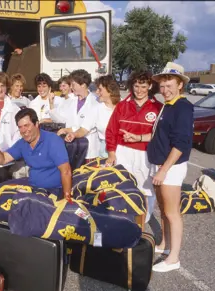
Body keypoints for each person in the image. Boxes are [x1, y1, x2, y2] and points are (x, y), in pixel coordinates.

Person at [120, 62, 193, 272]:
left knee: (172, 213)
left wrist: (163, 170)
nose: (165, 89)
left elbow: (181, 143)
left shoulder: (183, 107)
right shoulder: (167, 106)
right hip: (160, 165)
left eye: (169, 85)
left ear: (180, 85)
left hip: (171, 167)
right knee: (163, 210)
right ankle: (165, 244)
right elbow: (158, 136)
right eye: (162, 85)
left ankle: (174, 258)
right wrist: (138, 136)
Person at [105, 71, 162, 222]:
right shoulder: (122, 106)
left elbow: (160, 136)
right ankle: (123, 219)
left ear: (150, 86)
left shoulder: (158, 107)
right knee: (122, 186)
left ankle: (143, 221)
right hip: (123, 152)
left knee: (146, 189)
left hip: (146, 153)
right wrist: (111, 153)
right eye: (136, 86)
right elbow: (111, 131)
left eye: (143, 86)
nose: (139, 90)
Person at [0, 108, 72, 198]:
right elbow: (2, 160)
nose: (23, 130)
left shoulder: (52, 140)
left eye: (26, 125)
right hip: (33, 188)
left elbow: (66, 171)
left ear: (36, 124)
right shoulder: (22, 143)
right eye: (20, 127)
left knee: (24, 204)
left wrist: (67, 198)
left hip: (53, 191)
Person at [65, 75, 120, 158]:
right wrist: (74, 134)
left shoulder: (124, 106)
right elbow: (84, 129)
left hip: (123, 148)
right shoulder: (96, 109)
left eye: (100, 89)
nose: (97, 92)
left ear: (110, 90)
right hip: (105, 151)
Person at [52, 69, 100, 162]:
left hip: (88, 152)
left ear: (83, 85)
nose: (71, 87)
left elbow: (84, 129)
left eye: (73, 85)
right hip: (72, 148)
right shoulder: (71, 100)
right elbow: (63, 119)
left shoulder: (94, 102)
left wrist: (66, 130)